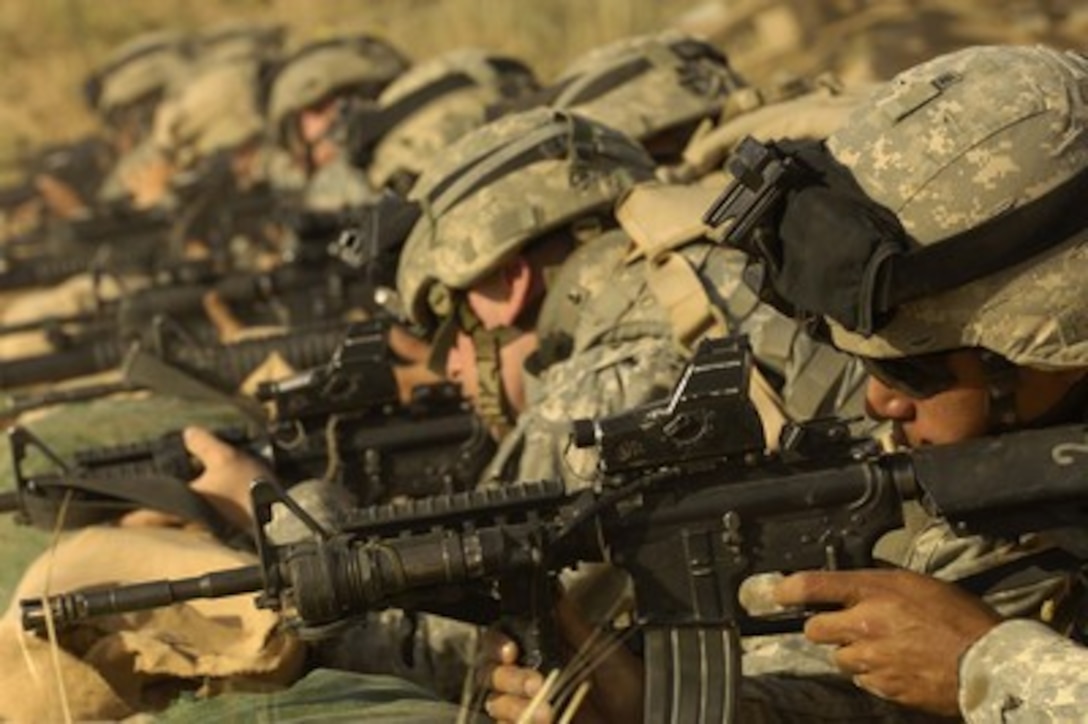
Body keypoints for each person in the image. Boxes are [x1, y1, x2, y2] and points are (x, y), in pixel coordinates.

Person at [489, 43, 1088, 723]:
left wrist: (988, 669)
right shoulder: (1010, 487)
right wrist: (646, 707)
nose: (879, 401)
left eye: (910, 368)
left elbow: (974, 668)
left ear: (1053, 338)